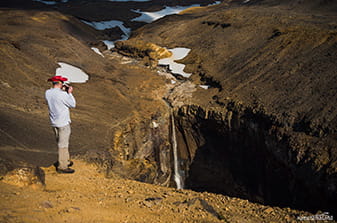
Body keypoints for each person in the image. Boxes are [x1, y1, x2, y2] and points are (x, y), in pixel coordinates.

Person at [45, 75, 76, 174]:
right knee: (63, 145)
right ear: (59, 83)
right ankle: (62, 166)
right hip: (63, 123)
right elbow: (73, 104)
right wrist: (69, 93)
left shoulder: (47, 93)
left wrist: (62, 91)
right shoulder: (63, 95)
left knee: (60, 141)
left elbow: (55, 96)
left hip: (54, 122)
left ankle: (66, 160)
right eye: (62, 83)